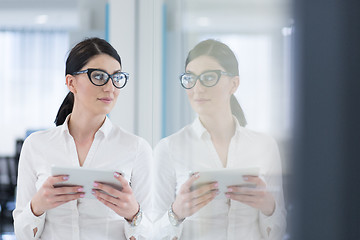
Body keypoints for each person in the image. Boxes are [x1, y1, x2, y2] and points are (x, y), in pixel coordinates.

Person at [13, 37, 152, 240]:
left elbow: (152, 233)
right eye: (98, 76)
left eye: (116, 77)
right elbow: (22, 235)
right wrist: (37, 207)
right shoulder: (36, 145)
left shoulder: (137, 149)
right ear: (71, 82)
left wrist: (133, 214)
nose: (110, 87)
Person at [153, 39, 286, 239]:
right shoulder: (169, 148)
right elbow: (151, 231)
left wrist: (269, 207)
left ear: (234, 84)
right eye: (190, 78)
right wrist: (177, 212)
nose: (197, 88)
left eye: (208, 77)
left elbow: (279, 231)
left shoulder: (264, 146)